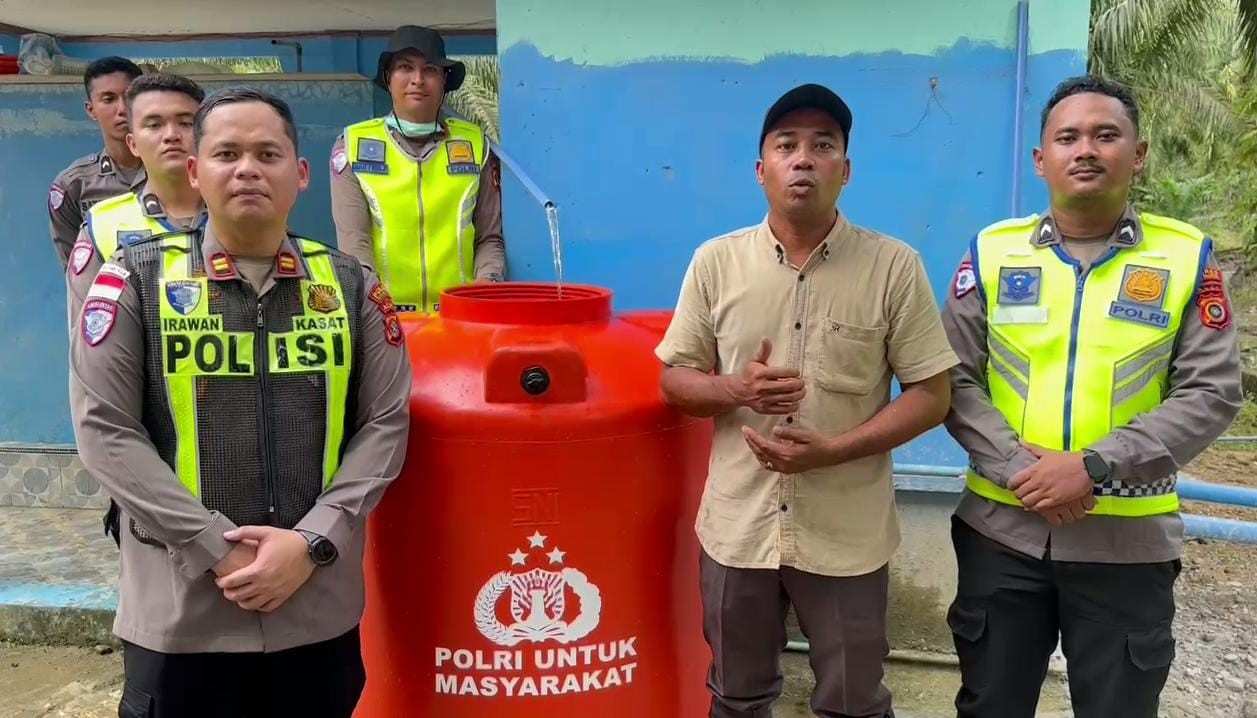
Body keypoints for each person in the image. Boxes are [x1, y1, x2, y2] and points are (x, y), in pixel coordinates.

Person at [68, 87, 412, 717]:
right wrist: (214, 547)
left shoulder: (352, 287)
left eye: (267, 154)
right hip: (184, 616)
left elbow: (385, 424)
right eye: (226, 153)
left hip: (316, 606)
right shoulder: (133, 281)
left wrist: (312, 541)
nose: (247, 169)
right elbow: (105, 431)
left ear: (300, 174)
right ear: (194, 172)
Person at [941, 75, 1242, 718]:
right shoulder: (992, 252)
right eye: (1067, 137)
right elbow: (951, 378)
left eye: (1106, 135)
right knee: (990, 706)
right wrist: (1022, 469)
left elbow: (1212, 390)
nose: (1085, 149)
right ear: (1040, 158)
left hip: (1127, 543)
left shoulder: (1185, 257)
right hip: (1002, 536)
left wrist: (1092, 466)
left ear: (1138, 155)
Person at [655, 83, 958, 718]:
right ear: (760, 168)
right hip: (739, 530)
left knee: (853, 701)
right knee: (736, 696)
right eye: (786, 145)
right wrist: (734, 388)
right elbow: (674, 380)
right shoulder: (715, 262)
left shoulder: (893, 266)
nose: (803, 160)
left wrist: (835, 450)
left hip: (846, 534)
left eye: (823, 146)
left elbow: (932, 395)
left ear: (845, 170)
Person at [330, 24, 505, 313]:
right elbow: (354, 241)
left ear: (444, 80)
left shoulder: (476, 145)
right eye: (405, 67)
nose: (417, 80)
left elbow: (490, 237)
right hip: (383, 318)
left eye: (430, 69)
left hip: (461, 317)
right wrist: (374, 305)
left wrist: (486, 284)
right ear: (388, 77)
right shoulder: (352, 145)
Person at [67, 72, 205, 324]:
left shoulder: (242, 213)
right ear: (133, 144)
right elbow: (91, 331)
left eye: (186, 123)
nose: (171, 135)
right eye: (154, 125)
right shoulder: (102, 225)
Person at [49, 56, 145, 269]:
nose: (122, 109)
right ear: (91, 109)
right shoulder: (74, 185)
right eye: (108, 99)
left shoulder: (176, 173)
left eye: (129, 97)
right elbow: (75, 269)